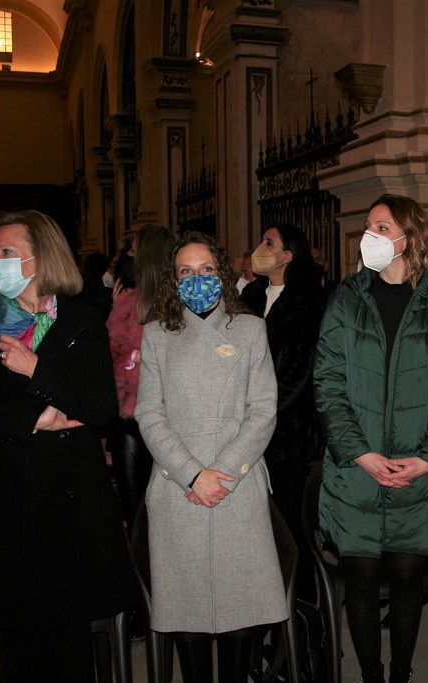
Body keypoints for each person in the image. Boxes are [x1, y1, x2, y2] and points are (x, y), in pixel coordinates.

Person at [0, 210, 138, 681]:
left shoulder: (83, 321)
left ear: (40, 258)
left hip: (67, 499)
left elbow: (100, 404)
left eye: (6, 253)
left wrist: (35, 370)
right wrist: (36, 418)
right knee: (17, 633)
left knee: (69, 631)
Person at [314, 194, 428, 683]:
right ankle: (371, 676)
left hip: (417, 470)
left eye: (382, 226)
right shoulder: (346, 299)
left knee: (407, 578)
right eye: (368, 227)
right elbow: (328, 382)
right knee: (359, 579)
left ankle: (400, 673)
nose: (371, 236)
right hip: (354, 470)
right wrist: (359, 452)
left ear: (409, 236)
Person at [135, 231, 287, 683]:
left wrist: (221, 473)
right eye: (185, 271)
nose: (196, 279)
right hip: (177, 488)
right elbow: (149, 413)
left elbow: (263, 409)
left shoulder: (251, 329)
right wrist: (191, 475)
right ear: (172, 279)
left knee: (243, 612)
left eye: (205, 269)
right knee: (189, 615)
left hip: (235, 485)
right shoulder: (157, 335)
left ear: (221, 274)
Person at [241, 223, 327, 599]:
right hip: (247, 433)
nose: (260, 247)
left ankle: (306, 628)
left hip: (288, 434)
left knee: (292, 531)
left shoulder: (309, 301)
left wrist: (260, 413)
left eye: (269, 242)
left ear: (287, 255)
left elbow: (301, 373)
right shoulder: (250, 298)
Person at [106, 224, 176, 529]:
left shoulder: (173, 302)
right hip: (134, 418)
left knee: (149, 511)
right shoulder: (131, 299)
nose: (126, 256)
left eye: (133, 250)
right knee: (141, 511)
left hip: (154, 418)